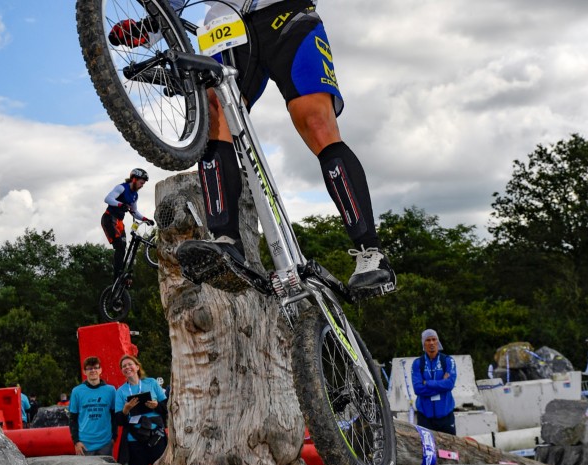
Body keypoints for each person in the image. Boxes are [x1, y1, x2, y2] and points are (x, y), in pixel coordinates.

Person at [117, 0, 395, 296]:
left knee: (316, 122)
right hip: (225, 25)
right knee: (214, 112)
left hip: (286, 14)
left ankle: (371, 253)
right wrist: (147, 28)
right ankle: (225, 241)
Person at [114, 355, 168, 465]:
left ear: (137, 367)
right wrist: (126, 409)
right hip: (135, 439)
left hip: (156, 436)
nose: (127, 367)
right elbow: (118, 419)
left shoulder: (151, 383)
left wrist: (156, 405)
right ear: (122, 371)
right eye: (124, 366)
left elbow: (167, 406)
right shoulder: (121, 391)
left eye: (130, 364)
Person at [102, 168, 155, 281]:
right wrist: (121, 205)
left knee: (124, 248)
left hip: (119, 223)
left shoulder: (135, 195)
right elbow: (108, 199)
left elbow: (134, 212)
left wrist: (146, 219)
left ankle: (121, 275)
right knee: (119, 248)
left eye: (143, 184)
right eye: (141, 183)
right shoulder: (122, 188)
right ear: (134, 179)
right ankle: (117, 277)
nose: (142, 185)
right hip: (109, 219)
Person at [411, 329, 457, 435]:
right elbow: (418, 389)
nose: (431, 343)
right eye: (428, 340)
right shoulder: (418, 363)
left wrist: (427, 383)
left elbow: (449, 384)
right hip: (425, 418)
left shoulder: (448, 361)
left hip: (446, 417)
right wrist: (441, 385)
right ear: (423, 343)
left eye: (434, 339)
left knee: (448, 450)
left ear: (438, 341)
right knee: (427, 451)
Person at [69, 357, 118, 456]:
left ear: (100, 370)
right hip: (84, 444)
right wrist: (76, 442)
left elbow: (114, 416)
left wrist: (114, 437)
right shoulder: (77, 391)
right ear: (84, 371)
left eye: (96, 367)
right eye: (89, 368)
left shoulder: (111, 390)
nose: (93, 370)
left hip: (105, 443)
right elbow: (72, 419)